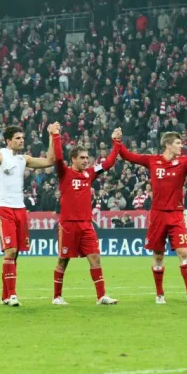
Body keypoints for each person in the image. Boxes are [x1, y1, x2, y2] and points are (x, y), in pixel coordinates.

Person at [119, 131, 187, 304]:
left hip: (176, 214)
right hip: (157, 215)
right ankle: (159, 294)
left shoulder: (184, 162)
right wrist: (117, 141)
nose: (182, 146)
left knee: (183, 252)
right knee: (158, 255)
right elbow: (128, 155)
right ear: (168, 145)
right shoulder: (152, 160)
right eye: (178, 143)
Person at [0, 111, 54, 307]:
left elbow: (49, 161)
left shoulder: (23, 159)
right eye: (17, 138)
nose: (21, 141)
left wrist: (52, 137)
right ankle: (13, 295)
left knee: (15, 254)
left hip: (20, 209)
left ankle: (5, 296)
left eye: (22, 138)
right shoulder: (0, 155)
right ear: (8, 141)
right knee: (11, 250)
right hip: (4, 209)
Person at [51, 123, 121, 305]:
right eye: (82, 157)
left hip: (86, 225)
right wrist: (56, 136)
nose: (86, 160)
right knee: (63, 261)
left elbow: (109, 163)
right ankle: (57, 297)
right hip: (68, 225)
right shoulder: (64, 173)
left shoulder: (90, 173)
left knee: (95, 258)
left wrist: (116, 142)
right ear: (73, 159)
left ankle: (101, 296)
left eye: (87, 157)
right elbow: (58, 158)